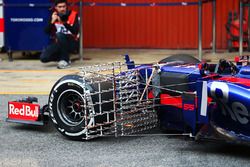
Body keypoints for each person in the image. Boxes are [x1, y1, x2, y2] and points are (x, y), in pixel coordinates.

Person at [40, 0, 79, 69]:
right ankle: (64, 58)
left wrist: (64, 23)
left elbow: (75, 31)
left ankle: (65, 61)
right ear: (56, 7)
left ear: (66, 7)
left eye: (64, 6)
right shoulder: (54, 15)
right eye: (60, 7)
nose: (62, 9)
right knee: (43, 58)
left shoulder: (73, 14)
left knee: (59, 34)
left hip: (72, 42)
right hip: (59, 43)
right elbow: (46, 31)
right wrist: (52, 21)